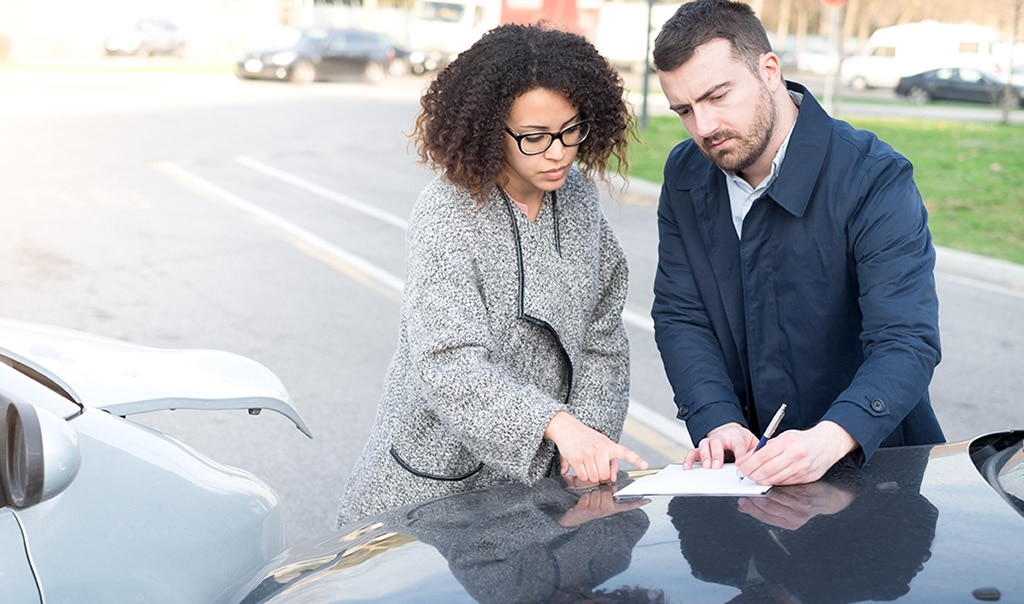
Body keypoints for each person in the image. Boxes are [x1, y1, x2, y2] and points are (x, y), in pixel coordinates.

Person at [337, 22, 648, 526]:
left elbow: (602, 334)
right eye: (534, 137)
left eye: (572, 130)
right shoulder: (447, 212)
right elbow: (448, 361)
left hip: (547, 485)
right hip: (434, 483)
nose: (558, 152)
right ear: (487, 128)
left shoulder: (579, 198)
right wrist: (555, 423)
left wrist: (586, 438)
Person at [650, 0, 944, 486]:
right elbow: (683, 314)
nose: (704, 127)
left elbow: (905, 340)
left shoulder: (874, 177)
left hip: (875, 475)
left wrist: (829, 438)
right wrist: (716, 418)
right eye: (684, 110)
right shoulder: (685, 174)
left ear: (769, 71)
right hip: (744, 481)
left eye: (717, 96)